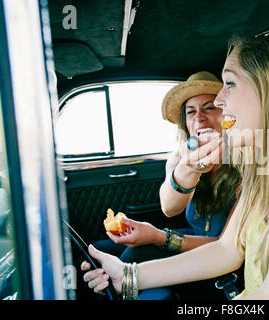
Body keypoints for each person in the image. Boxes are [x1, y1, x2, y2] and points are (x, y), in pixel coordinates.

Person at [82, 27, 269, 300]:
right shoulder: (266, 167)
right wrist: (129, 276)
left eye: (230, 84)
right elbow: (227, 250)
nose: (221, 100)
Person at [91, 71, 241, 299]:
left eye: (209, 108)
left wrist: (159, 237)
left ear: (227, 113)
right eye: (191, 112)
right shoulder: (179, 158)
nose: (199, 118)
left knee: (137, 253)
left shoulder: (246, 162)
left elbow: (226, 246)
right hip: (195, 238)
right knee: (98, 251)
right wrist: (190, 168)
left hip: (224, 262)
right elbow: (170, 209)